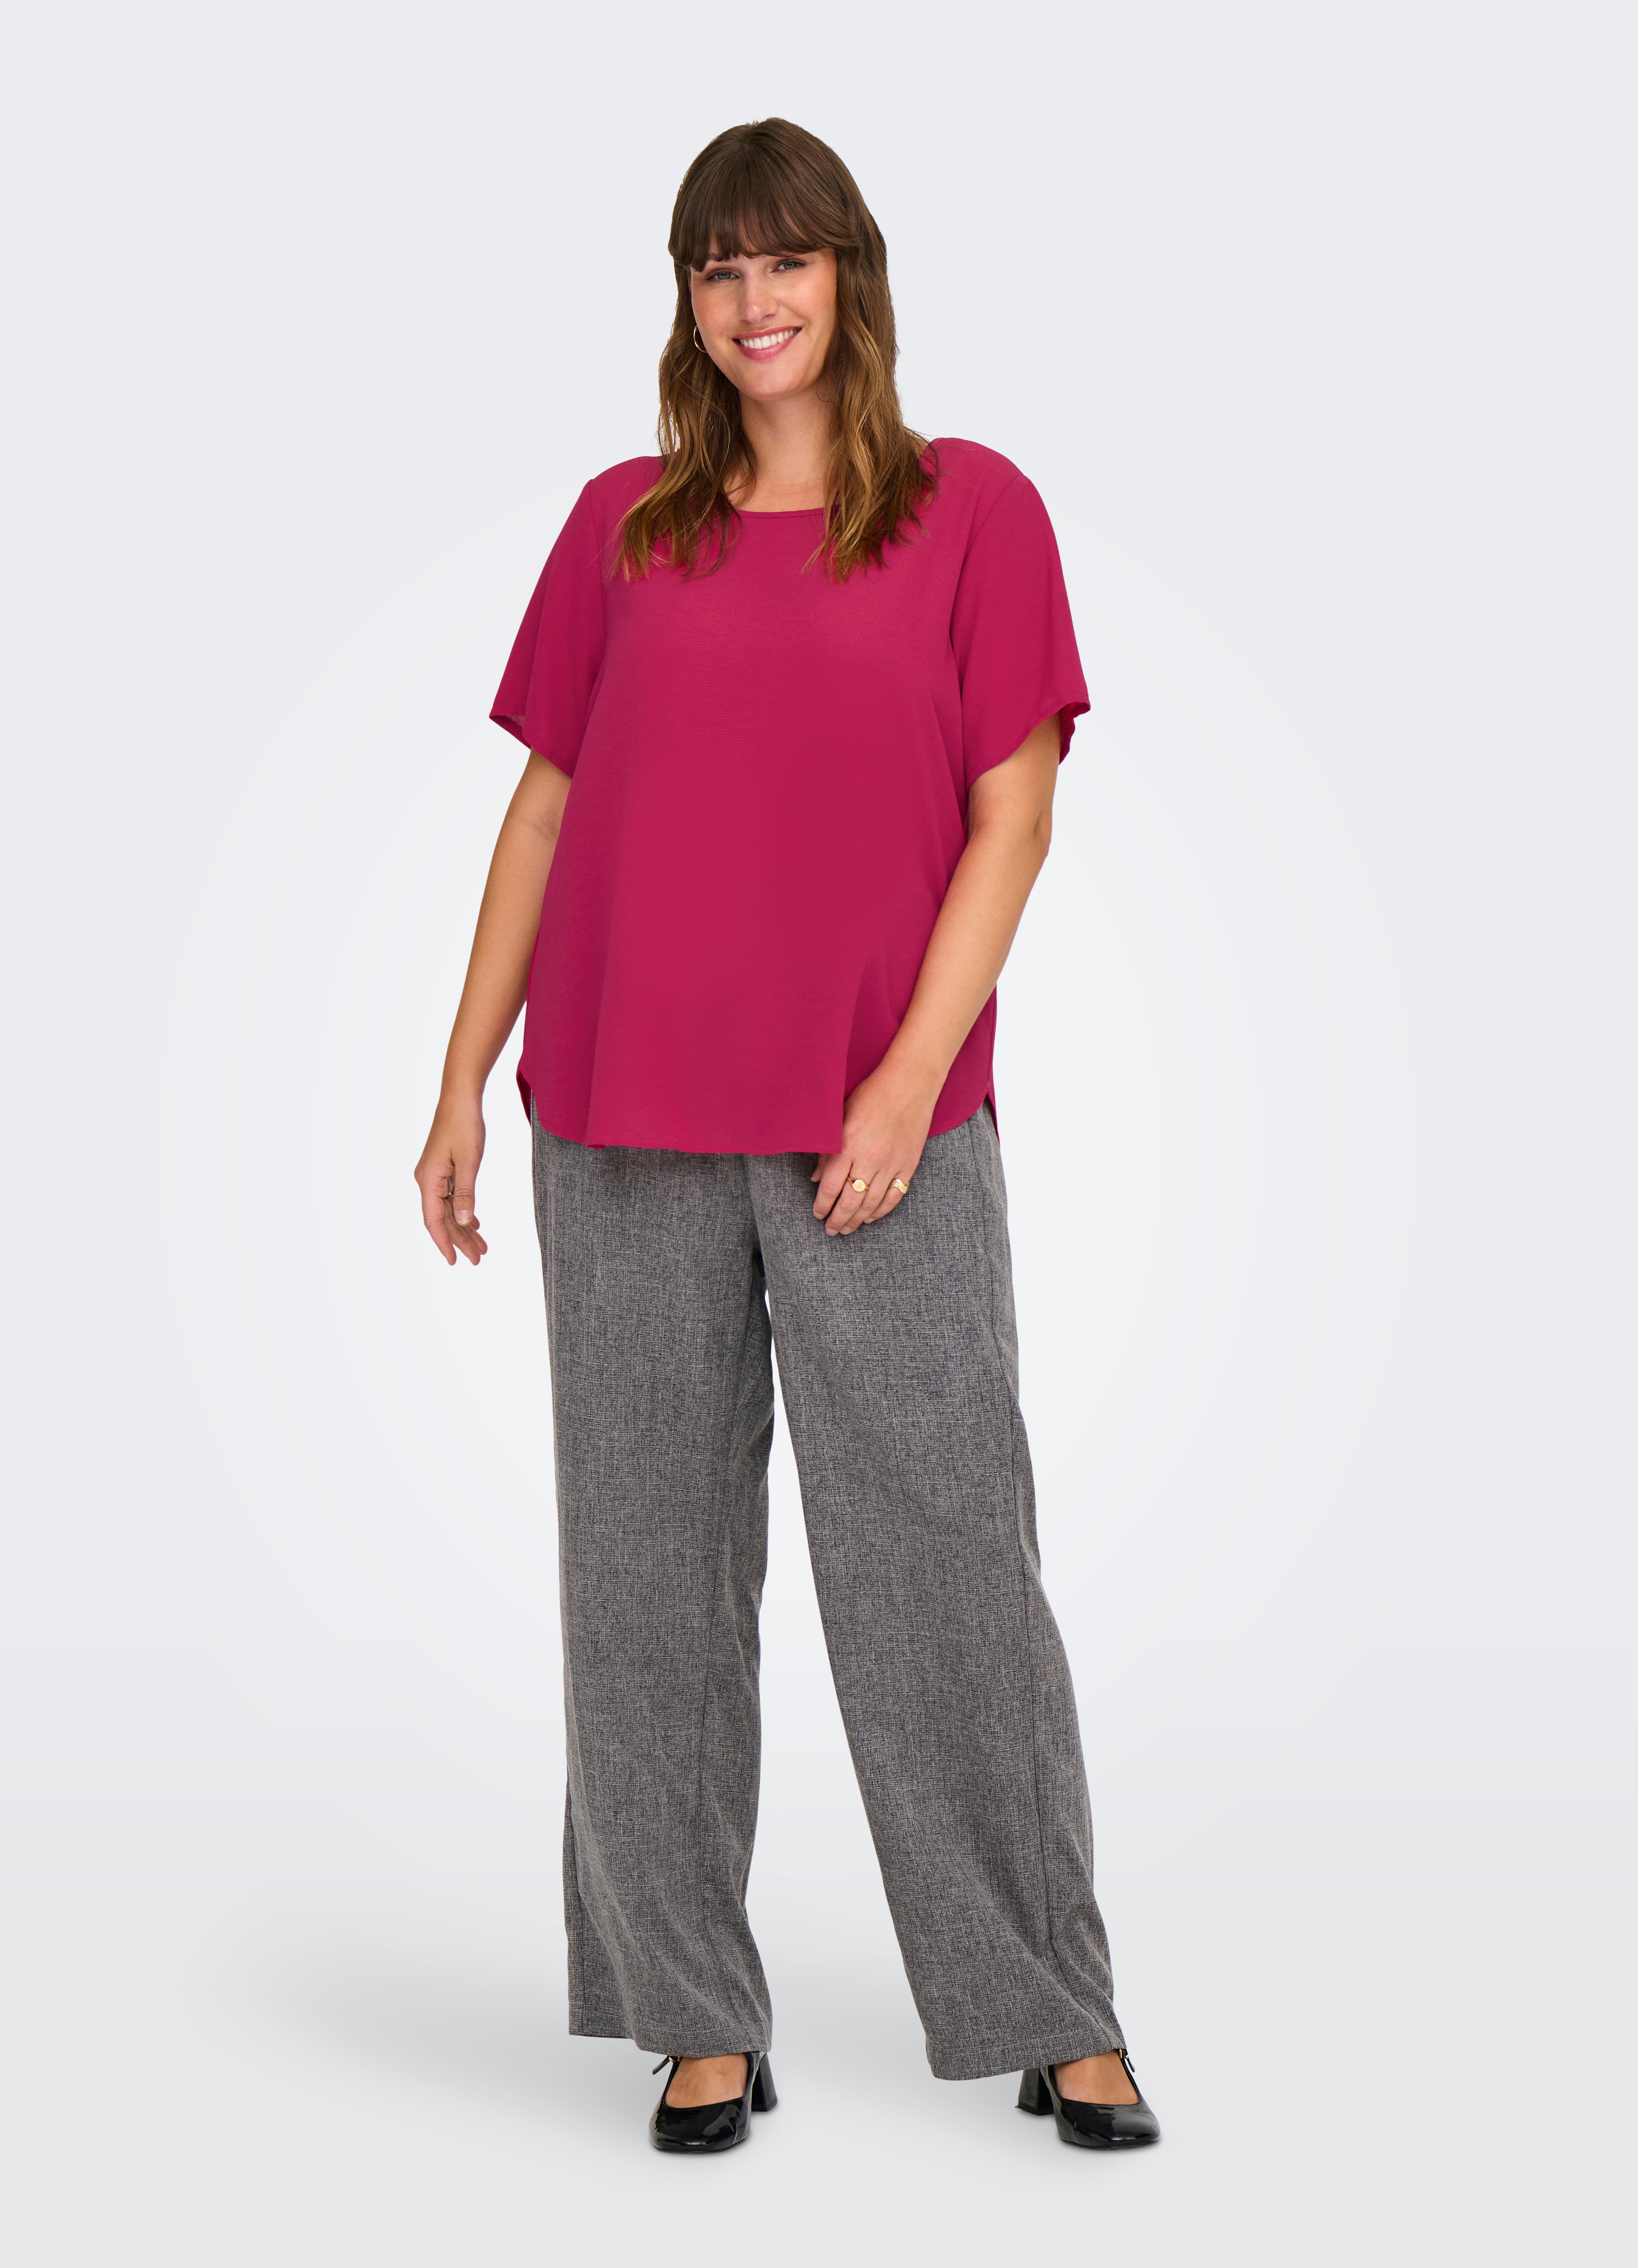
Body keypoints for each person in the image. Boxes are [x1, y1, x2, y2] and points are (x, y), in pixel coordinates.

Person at [414, 116, 1160, 2158]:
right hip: (618, 1116)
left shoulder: (974, 511)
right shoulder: (621, 525)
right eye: (717, 267)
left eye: (786, 260)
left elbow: (1015, 812)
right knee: (647, 1574)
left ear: (851, 276)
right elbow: (548, 810)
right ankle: (690, 2016)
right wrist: (461, 1075)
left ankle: (1050, 2005)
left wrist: (910, 1077)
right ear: (688, 299)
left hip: (877, 1128)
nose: (754, 301)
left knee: (946, 1567)